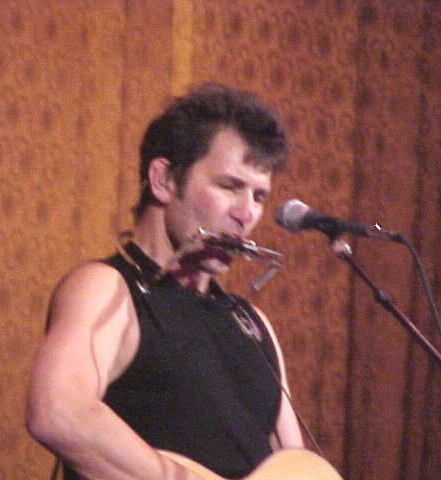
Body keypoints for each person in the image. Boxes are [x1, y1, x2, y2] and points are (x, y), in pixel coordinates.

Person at [26, 83, 304, 480]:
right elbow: (58, 412)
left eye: (259, 197)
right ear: (164, 180)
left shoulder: (253, 325)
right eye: (229, 186)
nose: (247, 214)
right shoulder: (109, 288)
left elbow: (297, 468)